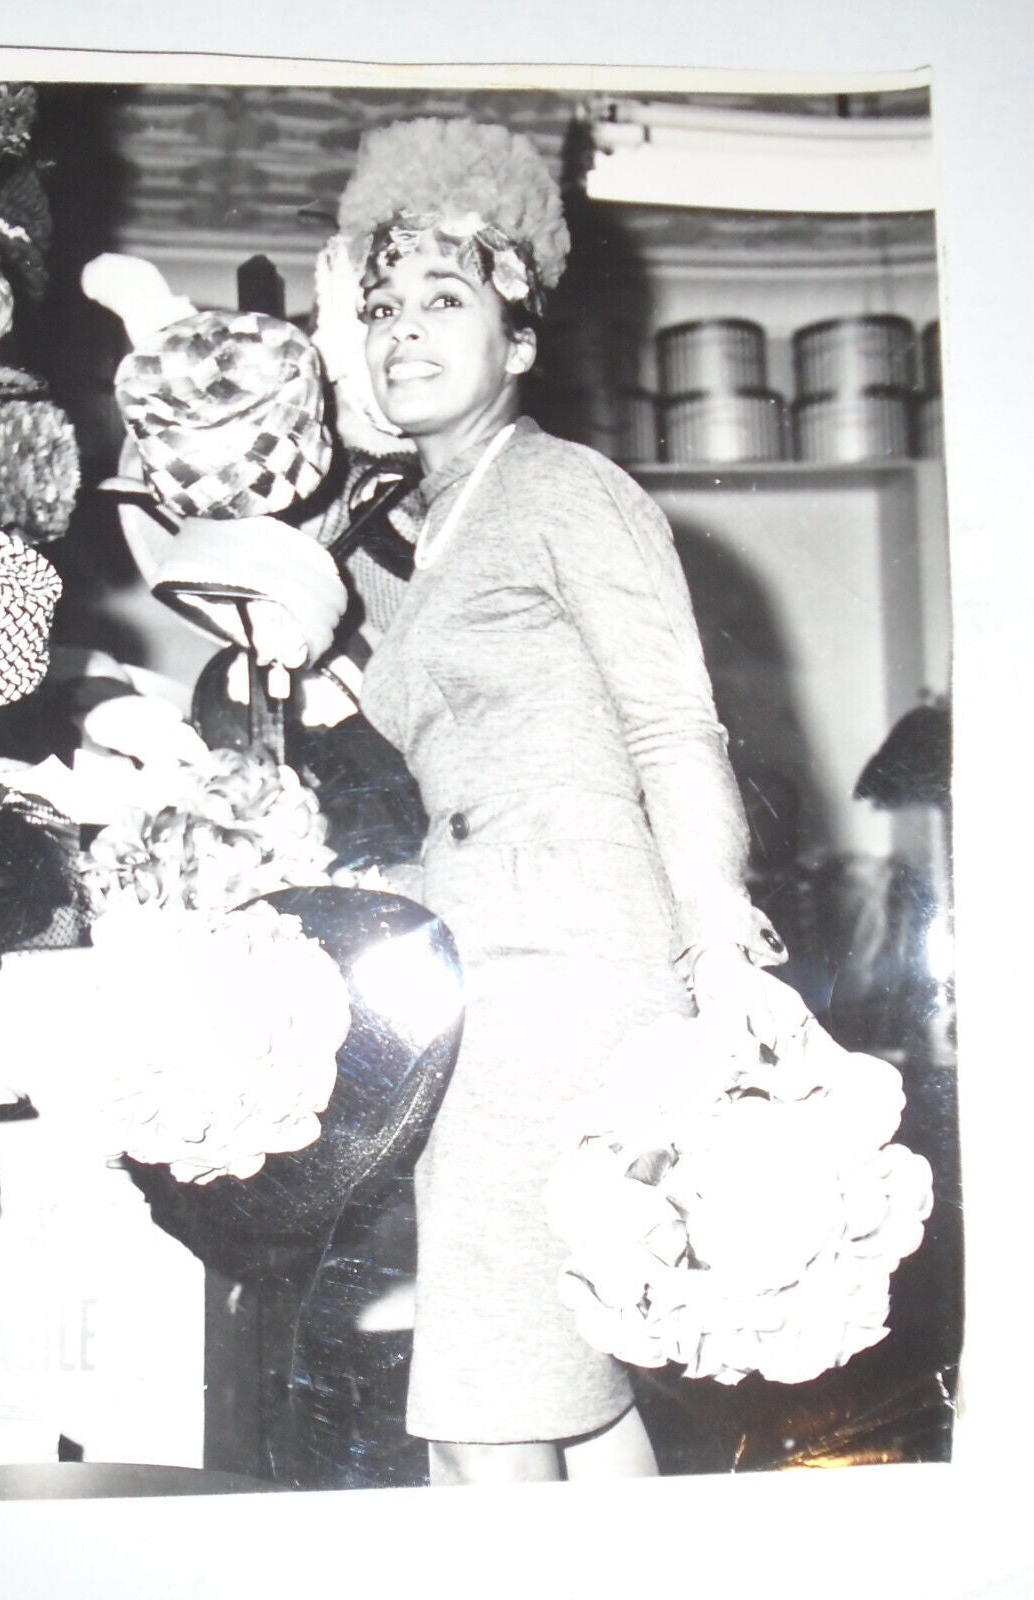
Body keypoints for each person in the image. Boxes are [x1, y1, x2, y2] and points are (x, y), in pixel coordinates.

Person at [324, 116, 803, 1487]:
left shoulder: (565, 487)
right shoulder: (427, 537)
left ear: (519, 340)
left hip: (573, 954)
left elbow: (671, 722)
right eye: (381, 308)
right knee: (564, 1379)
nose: (403, 331)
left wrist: (718, 940)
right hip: (488, 944)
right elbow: (428, 721)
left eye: (443, 301)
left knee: (483, 1398)